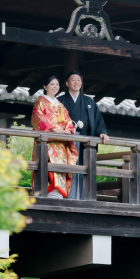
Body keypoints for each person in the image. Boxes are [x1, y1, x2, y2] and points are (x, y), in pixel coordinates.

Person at [57, 71, 109, 199]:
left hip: (84, 144)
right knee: (67, 168)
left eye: (79, 80)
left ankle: (82, 198)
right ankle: (65, 197)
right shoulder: (60, 101)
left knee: (83, 168)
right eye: (73, 80)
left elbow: (98, 120)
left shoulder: (88, 101)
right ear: (67, 83)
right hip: (66, 142)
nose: (76, 82)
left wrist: (102, 132)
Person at [31, 75, 79, 199]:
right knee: (46, 166)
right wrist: (53, 129)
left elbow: (67, 121)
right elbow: (38, 117)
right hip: (47, 142)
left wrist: (67, 130)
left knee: (60, 168)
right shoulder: (40, 101)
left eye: (57, 84)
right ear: (45, 86)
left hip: (60, 143)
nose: (55, 87)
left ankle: (57, 194)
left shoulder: (59, 104)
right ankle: (46, 192)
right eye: (52, 84)